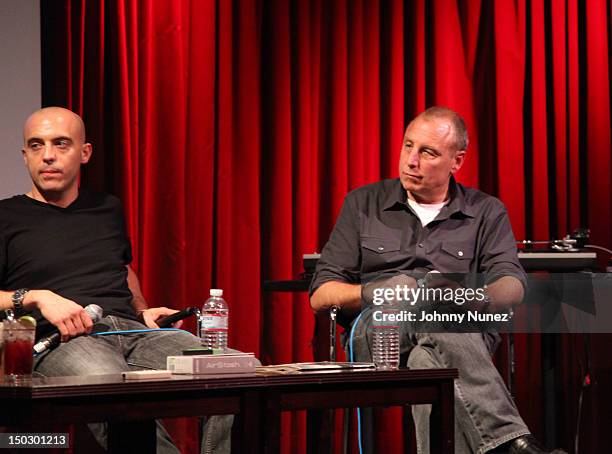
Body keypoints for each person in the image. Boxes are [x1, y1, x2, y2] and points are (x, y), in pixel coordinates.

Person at [310, 107, 565, 454]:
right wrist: (374, 291)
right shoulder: (362, 203)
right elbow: (321, 295)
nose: (411, 161)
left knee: (428, 362)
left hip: (462, 336)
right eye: (408, 146)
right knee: (432, 310)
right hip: (381, 334)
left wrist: (468, 298)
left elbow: (512, 285)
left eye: (428, 152)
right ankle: (510, 443)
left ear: (456, 161)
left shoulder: (487, 211)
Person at [0, 107, 232, 453]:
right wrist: (36, 297)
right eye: (36, 146)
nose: (47, 155)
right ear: (25, 155)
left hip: (130, 330)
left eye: (60, 144)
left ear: (85, 152)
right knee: (110, 382)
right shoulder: (6, 216)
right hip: (65, 339)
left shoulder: (107, 208)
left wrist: (143, 311)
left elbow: (121, 269)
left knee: (232, 371)